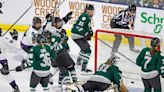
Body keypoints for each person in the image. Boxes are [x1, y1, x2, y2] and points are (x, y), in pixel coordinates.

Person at [71, 4, 94, 72]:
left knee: (85, 48)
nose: (92, 12)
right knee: (88, 50)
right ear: (87, 11)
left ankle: (78, 62)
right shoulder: (85, 16)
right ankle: (83, 68)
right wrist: (85, 33)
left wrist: (89, 32)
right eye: (91, 11)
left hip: (78, 35)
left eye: (93, 11)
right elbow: (79, 26)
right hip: (78, 35)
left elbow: (86, 27)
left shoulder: (85, 16)